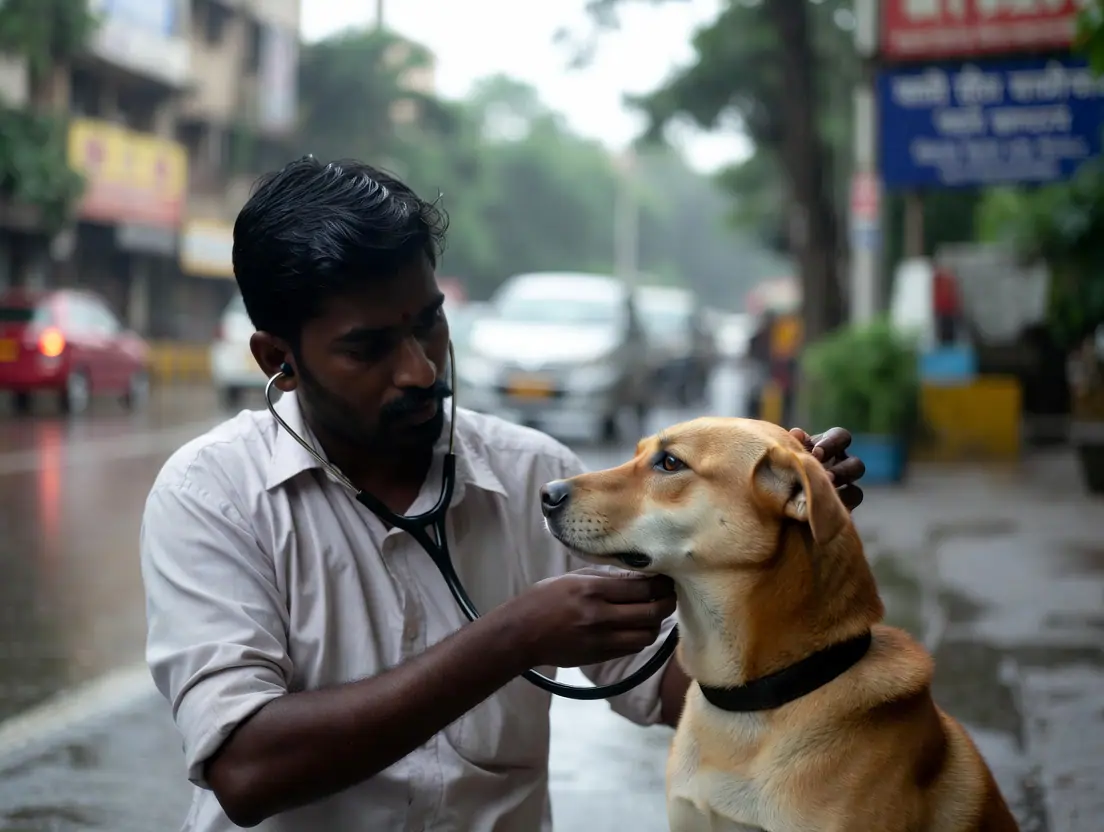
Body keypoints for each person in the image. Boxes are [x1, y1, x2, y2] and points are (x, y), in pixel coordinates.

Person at [139, 157, 867, 832]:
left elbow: (680, 696)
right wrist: (511, 638)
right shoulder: (213, 496)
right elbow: (246, 767)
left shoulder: (531, 474)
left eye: (429, 322)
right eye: (369, 349)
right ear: (279, 361)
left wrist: (773, 546)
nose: (421, 371)